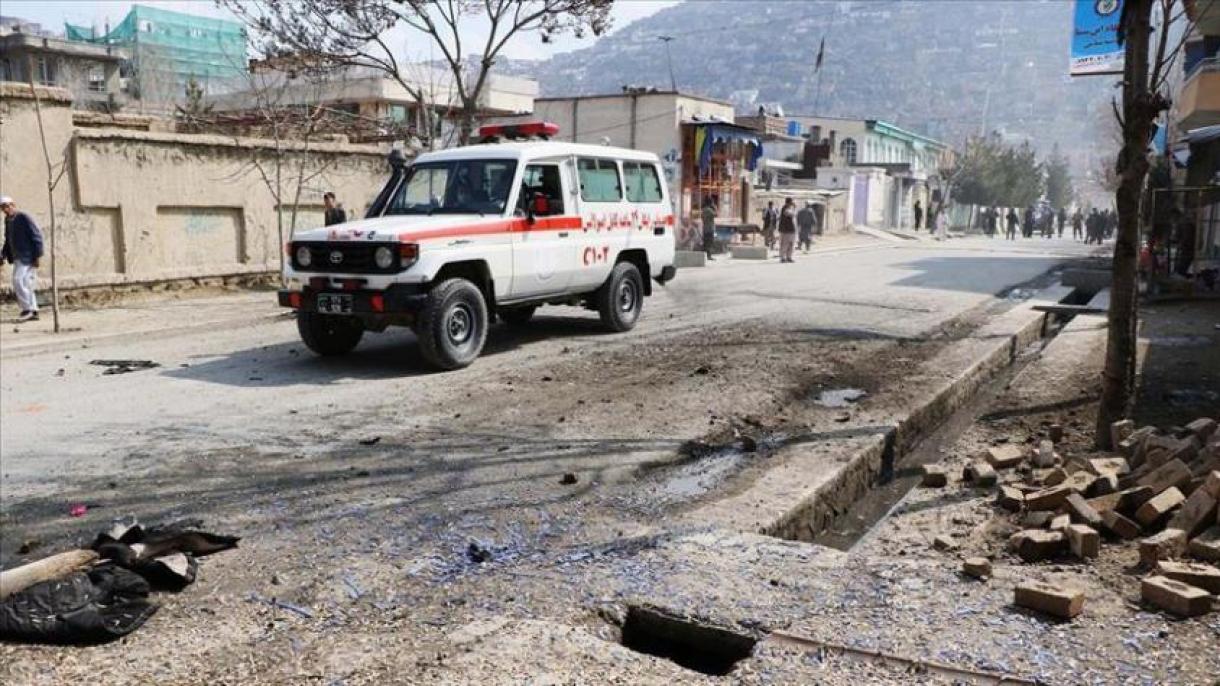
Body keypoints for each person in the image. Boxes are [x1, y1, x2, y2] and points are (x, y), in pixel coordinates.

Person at [1, 196, 45, 322]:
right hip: (17, 257)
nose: (6, 209)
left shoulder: (23, 217)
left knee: (17, 280)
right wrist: (3, 254)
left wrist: (37, 256)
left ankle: (28, 309)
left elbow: (36, 236)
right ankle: (34, 310)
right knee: (26, 283)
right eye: (3, 207)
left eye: (8, 206)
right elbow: (8, 240)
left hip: (28, 256)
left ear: (13, 205)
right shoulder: (8, 220)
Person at [777, 198, 797, 263]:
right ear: (788, 203)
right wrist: (794, 208)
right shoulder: (785, 209)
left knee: (791, 244)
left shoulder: (790, 208)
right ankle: (783, 257)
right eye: (791, 203)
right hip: (786, 230)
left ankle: (789, 257)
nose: (792, 204)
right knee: (785, 244)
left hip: (791, 230)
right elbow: (791, 214)